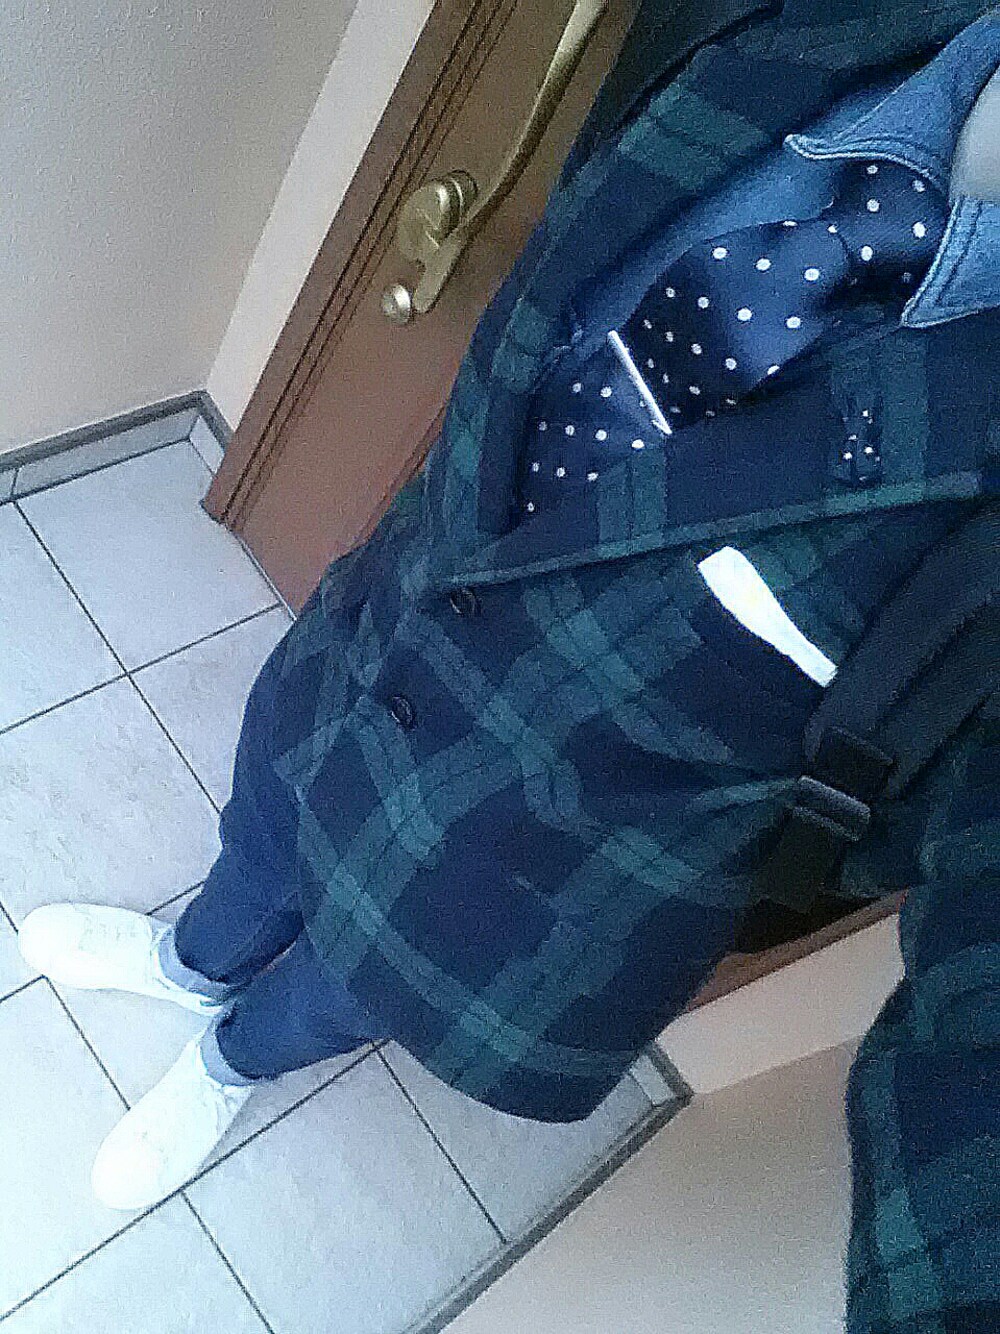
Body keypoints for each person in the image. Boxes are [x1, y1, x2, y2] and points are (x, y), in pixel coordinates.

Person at [19, 2, 1000, 1329]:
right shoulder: (838, 32)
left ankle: (229, 1059)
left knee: (346, 982)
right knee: (260, 835)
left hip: (512, 862)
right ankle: (193, 960)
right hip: (362, 646)